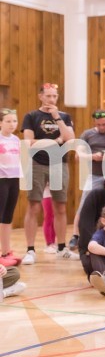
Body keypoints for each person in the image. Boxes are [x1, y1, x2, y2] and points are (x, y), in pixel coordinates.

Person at [21, 83, 76, 264]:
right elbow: (29, 142)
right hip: (37, 164)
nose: (52, 99)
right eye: (49, 96)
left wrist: (57, 118)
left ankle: (61, 247)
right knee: (33, 206)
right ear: (41, 96)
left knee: (60, 207)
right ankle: (30, 250)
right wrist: (54, 141)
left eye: (55, 96)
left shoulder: (65, 116)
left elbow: (70, 139)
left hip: (59, 164)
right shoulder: (31, 116)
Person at [68, 109, 105, 251]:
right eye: (98, 125)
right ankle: (75, 235)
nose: (101, 127)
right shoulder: (87, 134)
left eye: (104, 124)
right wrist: (93, 156)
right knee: (84, 204)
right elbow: (77, 157)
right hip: (94, 175)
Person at [0, 108, 22, 265]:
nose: (12, 124)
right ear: (0, 122)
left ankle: (6, 251)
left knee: (7, 217)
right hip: (1, 179)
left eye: (14, 121)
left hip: (14, 179)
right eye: (8, 121)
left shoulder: (15, 139)